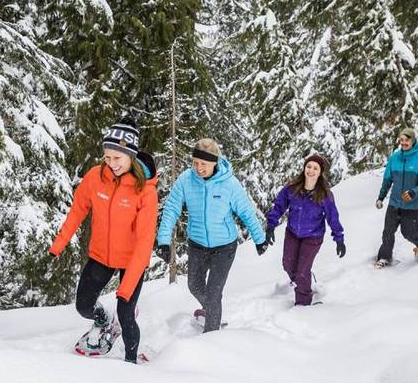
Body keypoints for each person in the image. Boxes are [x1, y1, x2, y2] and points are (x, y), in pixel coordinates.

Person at [49, 118, 158, 363]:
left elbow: (144, 242)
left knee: (126, 313)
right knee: (83, 306)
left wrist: (126, 289)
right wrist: (59, 244)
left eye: (117, 158)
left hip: (132, 261)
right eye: (107, 157)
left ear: (131, 155)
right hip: (101, 255)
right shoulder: (95, 177)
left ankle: (130, 362)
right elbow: (77, 210)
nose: (111, 164)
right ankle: (103, 320)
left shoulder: (145, 191)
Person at [155, 138, 268, 332]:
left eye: (203, 164)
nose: (198, 168)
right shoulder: (186, 180)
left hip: (224, 247)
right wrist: (163, 241)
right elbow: (172, 208)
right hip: (197, 244)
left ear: (215, 162)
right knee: (194, 286)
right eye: (195, 162)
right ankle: (212, 310)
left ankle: (212, 334)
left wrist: (260, 238)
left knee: (214, 293)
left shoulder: (229, 184)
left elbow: (246, 211)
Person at [265, 154, 345, 306]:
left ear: (320, 172)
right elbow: (279, 206)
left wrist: (339, 238)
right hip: (292, 233)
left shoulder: (324, 194)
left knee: (301, 272)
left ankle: (303, 304)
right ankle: (305, 279)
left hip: (313, 236)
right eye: (309, 166)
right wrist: (271, 225)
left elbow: (332, 217)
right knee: (288, 265)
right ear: (304, 168)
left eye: (315, 168)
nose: (311, 170)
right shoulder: (292, 188)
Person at [374, 127, 418, 268]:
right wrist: (381, 197)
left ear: (413, 140)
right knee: (388, 231)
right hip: (394, 203)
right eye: (401, 140)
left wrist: (414, 192)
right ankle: (384, 257)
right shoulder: (394, 157)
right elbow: (387, 180)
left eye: (407, 140)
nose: (404, 143)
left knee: (408, 233)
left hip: (413, 205)